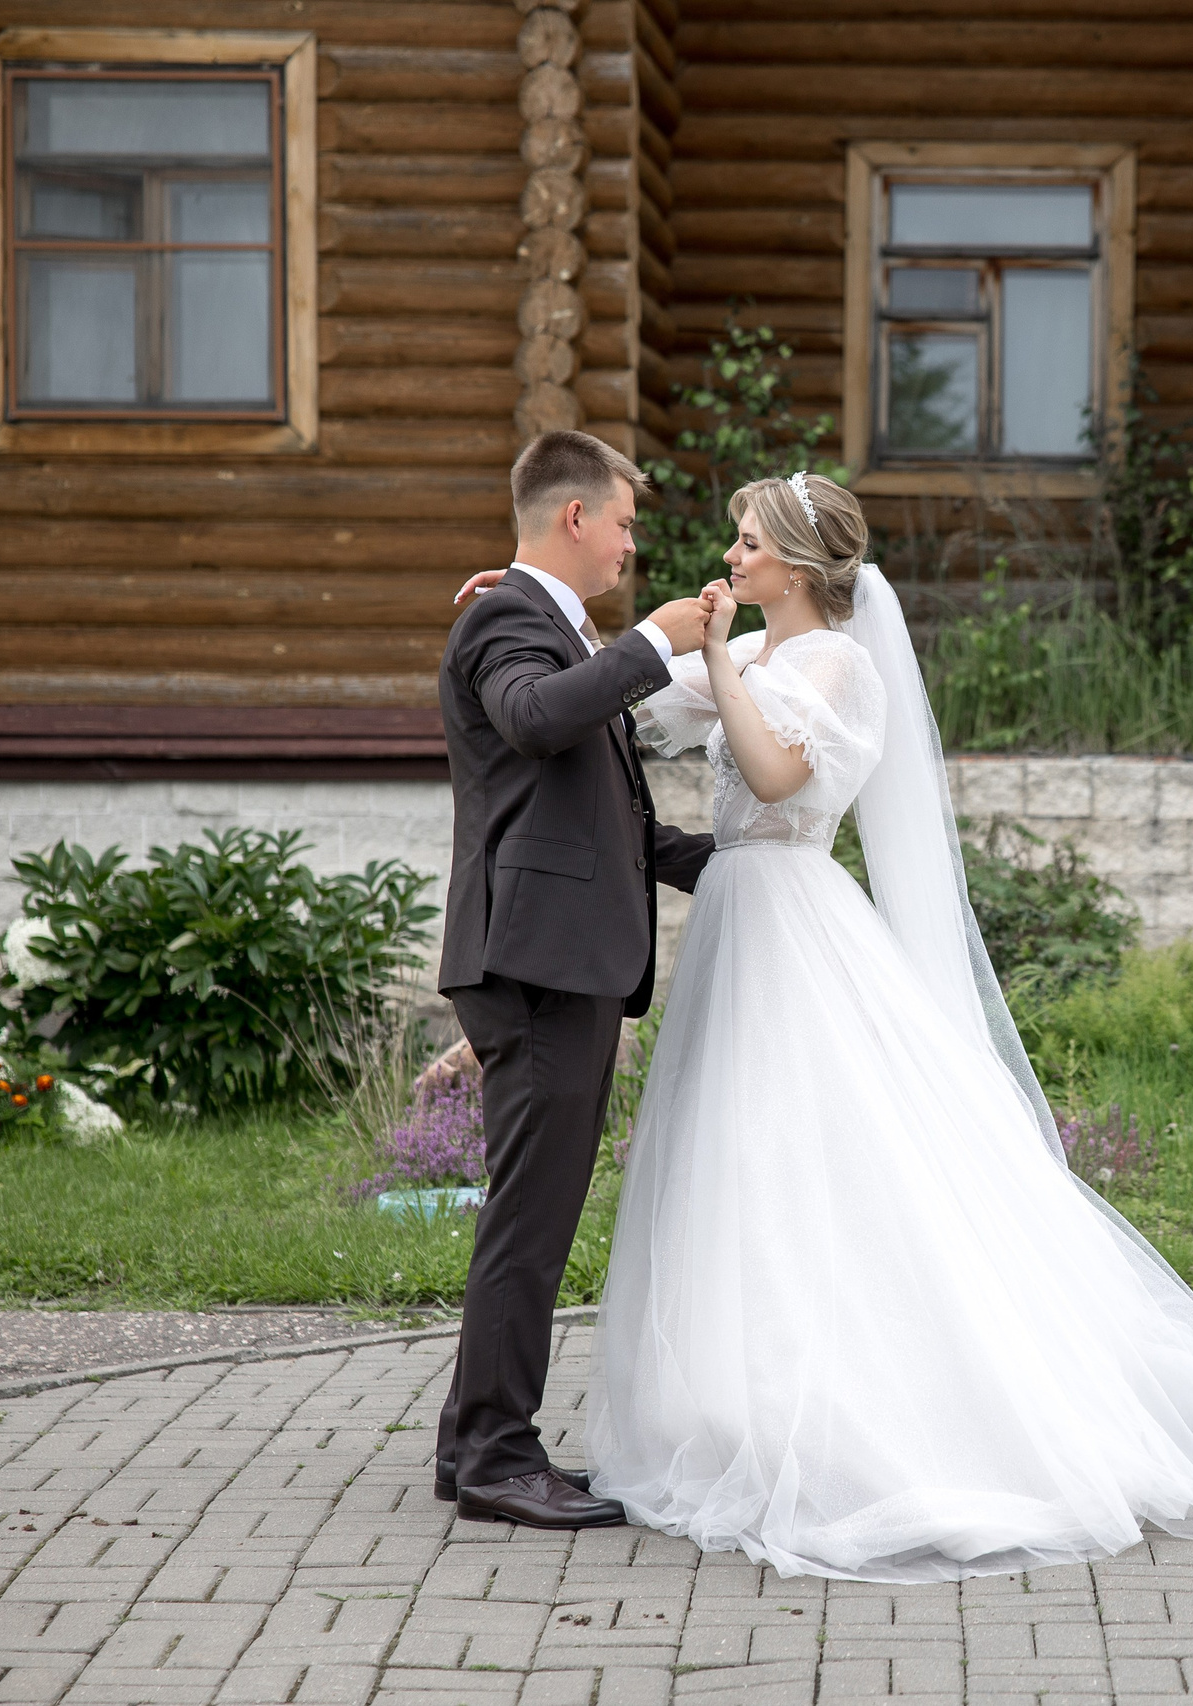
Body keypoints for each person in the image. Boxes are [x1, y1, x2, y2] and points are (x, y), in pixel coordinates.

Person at [468, 472, 1193, 1581]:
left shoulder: (838, 664)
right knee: (733, 1166)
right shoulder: (751, 657)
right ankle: (733, 1400)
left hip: (796, 926)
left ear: (792, 565)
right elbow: (617, 720)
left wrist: (710, 660)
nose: (728, 558)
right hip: (737, 927)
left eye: (745, 543)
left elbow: (777, 769)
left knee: (821, 1160)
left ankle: (854, 1413)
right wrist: (535, 616)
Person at [432, 431, 713, 1530]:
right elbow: (534, 720)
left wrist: (729, 863)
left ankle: (472, 1441)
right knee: (532, 1219)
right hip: (538, 964)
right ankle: (501, 1454)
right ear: (574, 518)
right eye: (627, 523)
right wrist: (651, 641)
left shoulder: (538, 619)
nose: (633, 545)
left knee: (527, 1211)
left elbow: (593, 814)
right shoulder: (507, 618)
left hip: (556, 955)